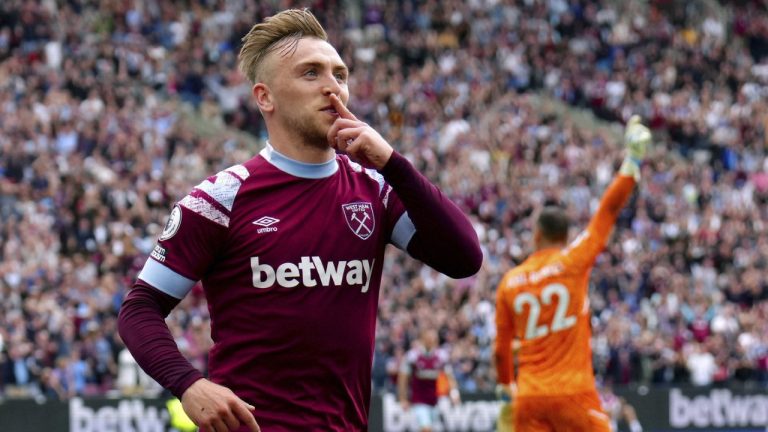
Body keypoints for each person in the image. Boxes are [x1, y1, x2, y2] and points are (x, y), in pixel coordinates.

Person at [117, 8, 482, 432]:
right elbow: (139, 309)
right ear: (265, 97)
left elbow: (464, 259)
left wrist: (393, 163)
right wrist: (189, 385)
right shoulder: (220, 198)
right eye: (311, 73)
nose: (333, 87)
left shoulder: (374, 189)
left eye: (340, 75)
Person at [494, 116, 652, 431]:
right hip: (573, 393)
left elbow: (501, 350)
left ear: (536, 235)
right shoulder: (573, 260)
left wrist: (505, 388)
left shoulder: (510, 282)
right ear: (565, 236)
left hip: (530, 397)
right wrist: (632, 161)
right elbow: (607, 212)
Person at [397, 329, 460, 432]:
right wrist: (403, 398)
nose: (432, 341)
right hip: (418, 401)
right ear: (423, 339)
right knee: (426, 429)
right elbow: (403, 378)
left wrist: (454, 393)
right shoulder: (413, 356)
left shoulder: (441, 356)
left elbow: (450, 377)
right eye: (430, 338)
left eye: (434, 339)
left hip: (434, 401)